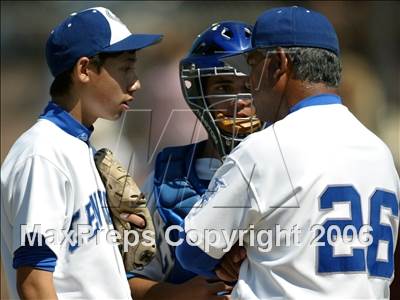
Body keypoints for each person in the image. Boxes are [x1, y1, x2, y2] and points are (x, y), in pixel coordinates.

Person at [175, 6, 400, 299]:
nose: (250, 84)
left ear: (278, 64)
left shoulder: (265, 148)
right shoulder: (380, 153)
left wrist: (239, 247)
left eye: (253, 64)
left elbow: (193, 251)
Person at [0, 6, 162, 299]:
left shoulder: (78, 146)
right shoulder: (43, 154)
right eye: (125, 68)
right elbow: (34, 284)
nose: (135, 82)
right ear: (84, 69)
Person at [127, 21, 261, 299]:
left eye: (249, 86)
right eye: (224, 87)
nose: (239, 101)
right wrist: (179, 295)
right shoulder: (170, 177)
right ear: (200, 93)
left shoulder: (297, 169)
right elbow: (126, 282)